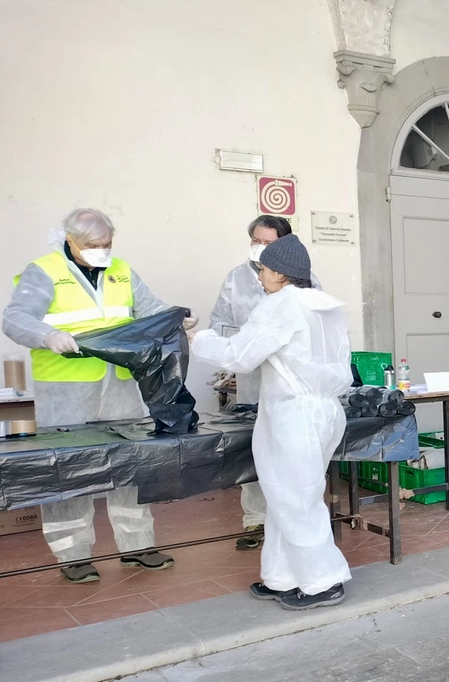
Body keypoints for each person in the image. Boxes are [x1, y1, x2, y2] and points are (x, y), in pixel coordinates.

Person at [2, 208, 197, 583]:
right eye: (93, 246)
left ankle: (138, 546)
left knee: (129, 462)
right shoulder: (44, 271)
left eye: (107, 244)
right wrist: (47, 336)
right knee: (67, 468)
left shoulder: (121, 270)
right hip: (67, 388)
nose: (102, 251)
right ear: (71, 241)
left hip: (120, 382)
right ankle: (72, 553)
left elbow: (150, 309)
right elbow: (14, 317)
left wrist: (178, 316)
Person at [190, 234, 352, 610]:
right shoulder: (326, 306)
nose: (260, 275)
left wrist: (200, 340)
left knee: (296, 500)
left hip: (296, 415)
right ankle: (283, 576)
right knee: (285, 497)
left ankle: (323, 581)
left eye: (262, 269)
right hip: (325, 410)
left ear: (279, 274)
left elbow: (240, 355)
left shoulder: (280, 305)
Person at [209, 214, 322, 551]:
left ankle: (293, 522)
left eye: (268, 243)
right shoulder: (236, 278)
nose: (259, 249)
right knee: (254, 454)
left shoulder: (306, 280)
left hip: (291, 387)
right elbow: (219, 324)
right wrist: (248, 341)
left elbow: (315, 330)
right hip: (253, 384)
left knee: (292, 456)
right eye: (255, 241)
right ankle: (256, 521)